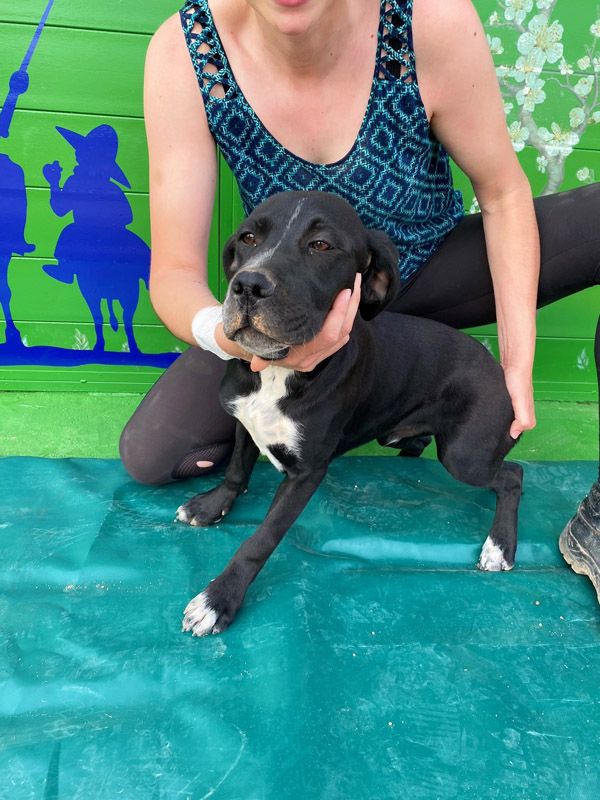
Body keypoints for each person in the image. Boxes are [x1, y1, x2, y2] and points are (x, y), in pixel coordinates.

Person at [120, 0, 600, 595]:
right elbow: (174, 272)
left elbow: (503, 193)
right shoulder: (187, 51)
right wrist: (231, 337)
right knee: (152, 453)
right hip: (294, 304)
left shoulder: (430, 21)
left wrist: (517, 362)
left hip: (432, 269)